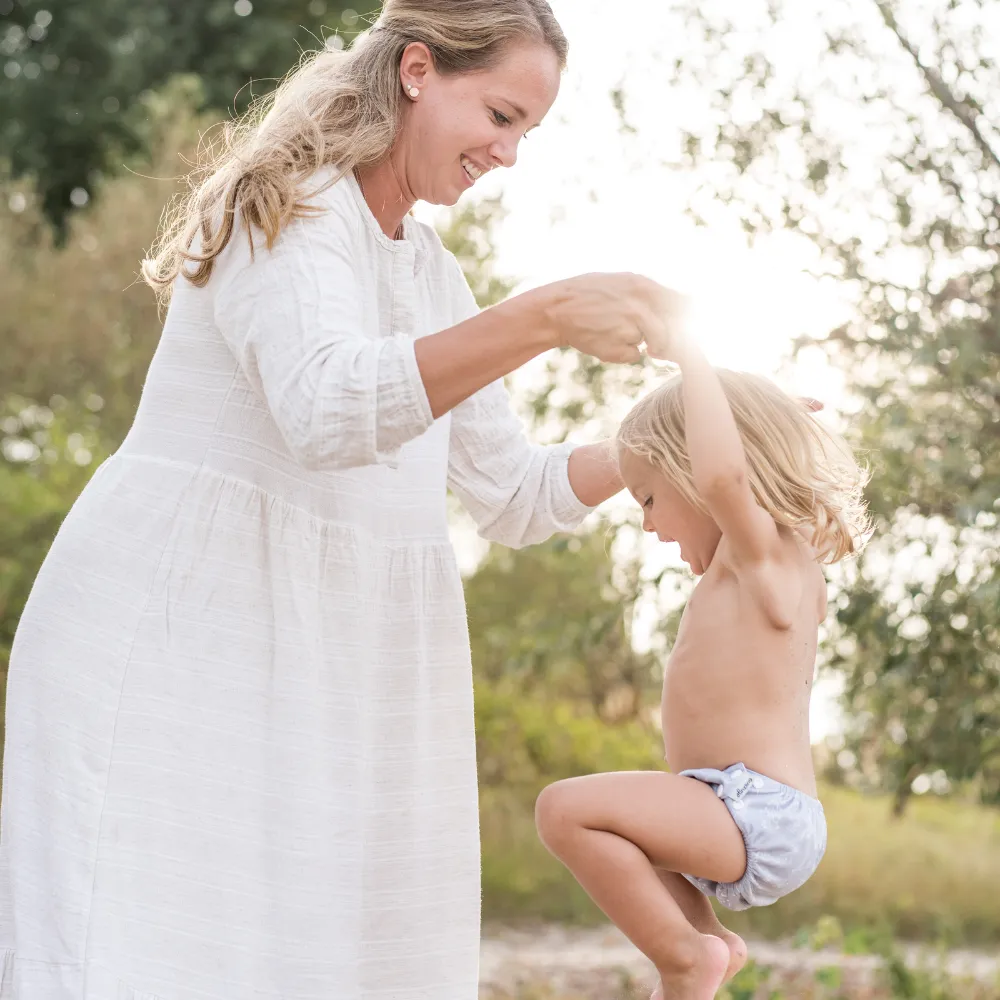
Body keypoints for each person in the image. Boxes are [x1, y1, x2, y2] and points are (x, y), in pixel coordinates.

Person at [0, 2, 684, 998]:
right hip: (172, 656)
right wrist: (541, 316)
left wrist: (671, 435)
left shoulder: (429, 273)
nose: (508, 153)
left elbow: (515, 493)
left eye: (526, 131)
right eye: (499, 115)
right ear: (417, 69)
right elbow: (327, 405)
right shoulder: (290, 207)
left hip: (327, 678)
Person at [534, 331, 871, 999]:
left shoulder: (764, 558)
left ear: (696, 468)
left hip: (751, 810)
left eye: (650, 498)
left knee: (564, 811)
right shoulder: (766, 566)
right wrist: (763, 413)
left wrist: (692, 361)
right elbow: (730, 465)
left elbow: (725, 475)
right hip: (741, 808)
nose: (649, 525)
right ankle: (708, 949)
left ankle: (685, 958)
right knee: (623, 837)